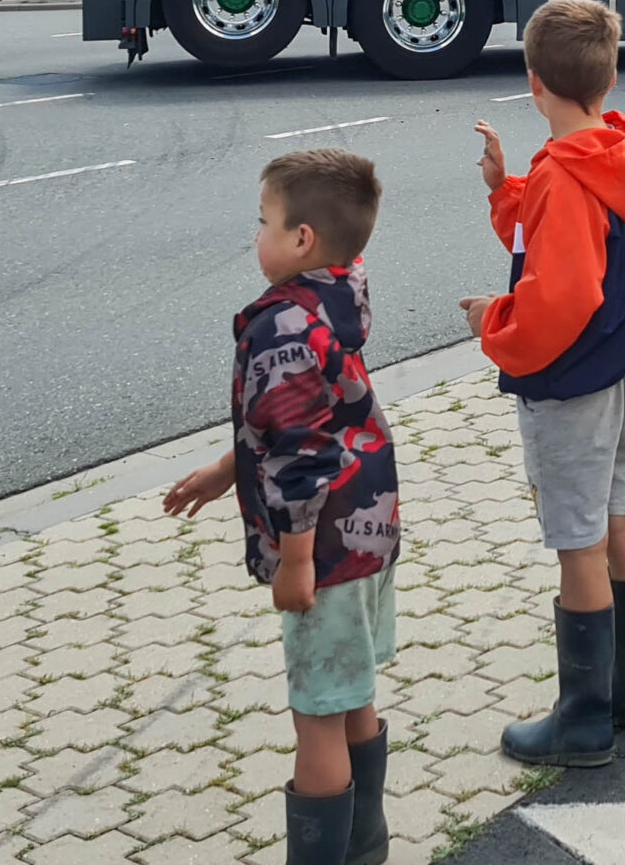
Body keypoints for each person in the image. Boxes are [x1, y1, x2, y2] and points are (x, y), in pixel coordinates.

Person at [162, 150, 403, 865]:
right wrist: (226, 470)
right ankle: (366, 846)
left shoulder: (282, 327)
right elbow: (311, 414)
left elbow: (301, 454)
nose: (256, 235)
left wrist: (295, 561)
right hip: (369, 529)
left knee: (317, 718)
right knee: (352, 692)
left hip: (322, 550)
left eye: (263, 221)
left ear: (301, 239)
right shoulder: (340, 294)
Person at [464, 0, 625, 768]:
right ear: (609, 78)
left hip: (571, 377)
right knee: (618, 512)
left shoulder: (564, 177)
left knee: (576, 539)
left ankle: (583, 721)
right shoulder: (617, 152)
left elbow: (563, 295)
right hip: (621, 368)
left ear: (532, 82)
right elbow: (578, 242)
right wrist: (505, 189)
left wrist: (496, 325)